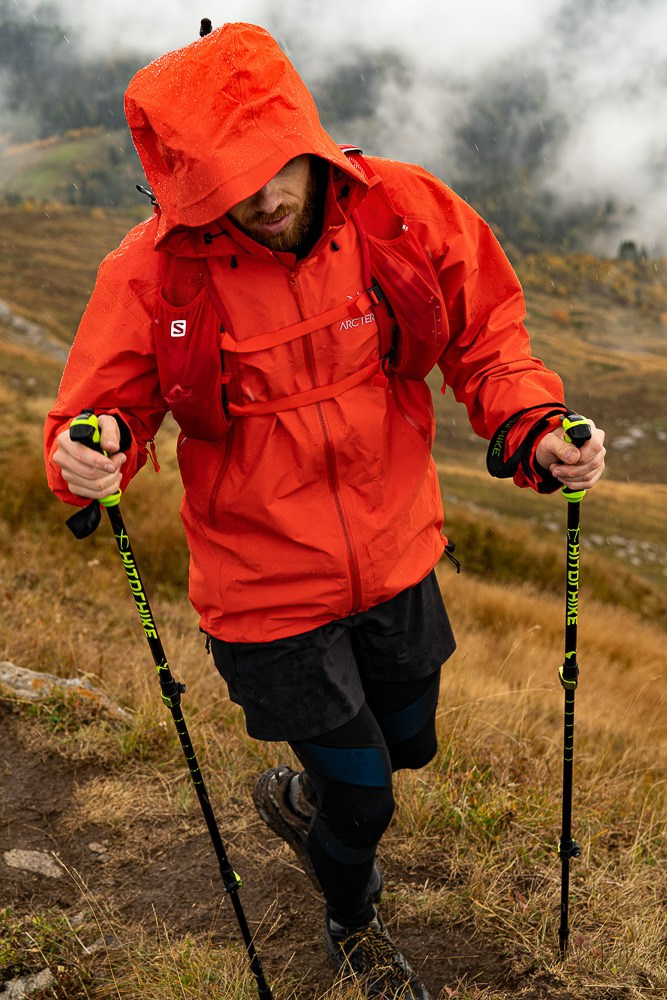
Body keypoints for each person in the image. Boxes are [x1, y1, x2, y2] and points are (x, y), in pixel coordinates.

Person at [44, 22, 605, 1000]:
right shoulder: (154, 273)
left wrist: (536, 424)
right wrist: (88, 454)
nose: (260, 202)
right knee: (367, 793)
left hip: (395, 555)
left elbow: (488, 340)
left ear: (305, 139)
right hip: (267, 597)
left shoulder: (403, 212)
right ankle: (351, 920)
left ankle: (302, 800)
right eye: (226, 187)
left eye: (270, 172)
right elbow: (104, 409)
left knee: (413, 740)